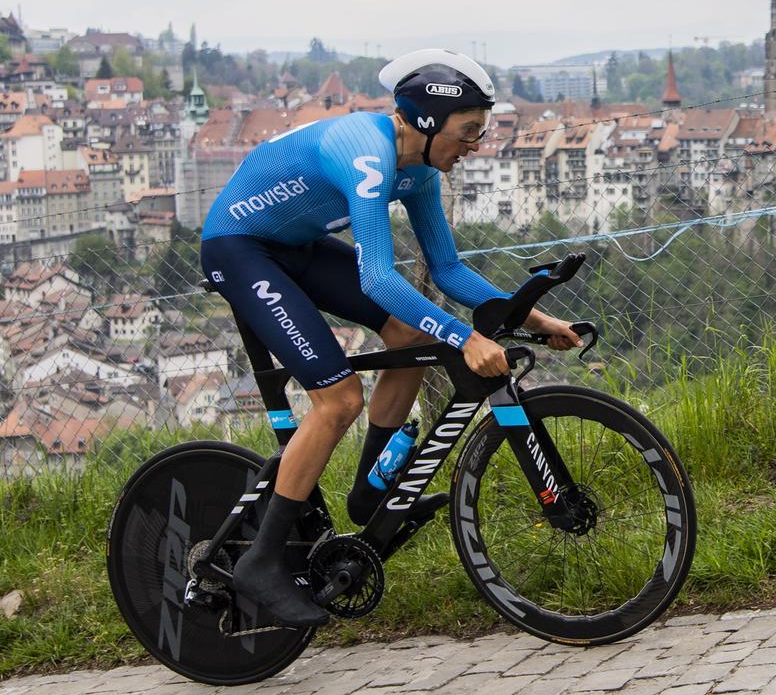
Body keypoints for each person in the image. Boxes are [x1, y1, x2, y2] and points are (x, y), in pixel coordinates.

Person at [198, 49, 583, 627]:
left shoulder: (423, 169)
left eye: (480, 133)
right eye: (467, 133)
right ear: (425, 123)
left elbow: (448, 272)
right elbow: (376, 276)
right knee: (339, 397)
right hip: (239, 246)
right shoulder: (368, 154)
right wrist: (462, 338)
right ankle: (260, 561)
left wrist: (535, 319)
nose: (474, 147)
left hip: (294, 246)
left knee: (405, 335)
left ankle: (369, 492)